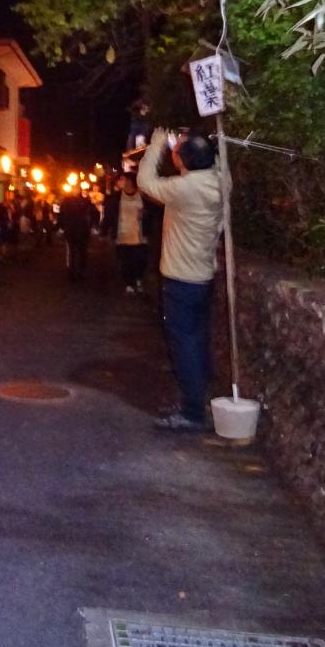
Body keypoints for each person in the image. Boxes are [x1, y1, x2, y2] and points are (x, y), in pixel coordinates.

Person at [138, 127, 225, 431]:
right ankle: (197, 400)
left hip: (180, 279)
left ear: (185, 160)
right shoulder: (220, 182)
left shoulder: (184, 189)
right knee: (198, 340)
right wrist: (204, 145)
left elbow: (145, 182)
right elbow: (213, 162)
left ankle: (192, 413)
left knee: (184, 344)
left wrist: (158, 144)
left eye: (179, 151)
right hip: (203, 276)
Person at [103, 172, 150, 294]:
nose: (120, 182)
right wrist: (104, 231)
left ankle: (138, 279)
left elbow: (150, 214)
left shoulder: (143, 197)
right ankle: (129, 283)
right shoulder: (116, 198)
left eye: (123, 179)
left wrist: (145, 217)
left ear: (130, 181)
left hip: (139, 235)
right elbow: (109, 215)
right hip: (122, 235)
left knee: (140, 260)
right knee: (125, 261)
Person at [58, 190, 96, 281]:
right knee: (79, 252)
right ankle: (79, 272)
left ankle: (74, 272)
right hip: (79, 230)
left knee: (74, 252)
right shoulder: (83, 201)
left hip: (74, 230)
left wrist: (61, 226)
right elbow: (93, 213)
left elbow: (61, 215)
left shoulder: (68, 202)